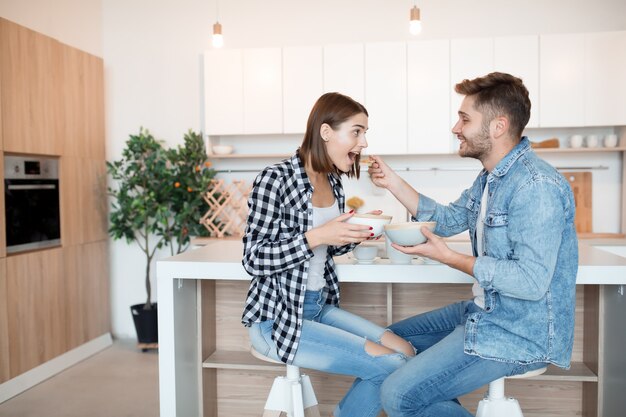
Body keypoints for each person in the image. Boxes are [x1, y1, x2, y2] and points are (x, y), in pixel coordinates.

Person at [368, 72, 578, 417]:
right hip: (484, 314)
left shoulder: (535, 186)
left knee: (399, 396)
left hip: (517, 332)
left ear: (498, 126)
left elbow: (530, 281)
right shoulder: (491, 180)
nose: (455, 128)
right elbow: (448, 219)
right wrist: (393, 182)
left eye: (464, 118)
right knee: (388, 343)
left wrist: (450, 258)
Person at [241, 92, 415, 417]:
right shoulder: (274, 179)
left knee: (405, 350)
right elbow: (254, 259)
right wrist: (318, 235)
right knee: (391, 365)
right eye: (357, 131)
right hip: (279, 319)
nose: (363, 142)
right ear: (325, 132)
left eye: (364, 133)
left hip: (317, 307)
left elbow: (327, 246)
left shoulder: (332, 181)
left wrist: (356, 231)